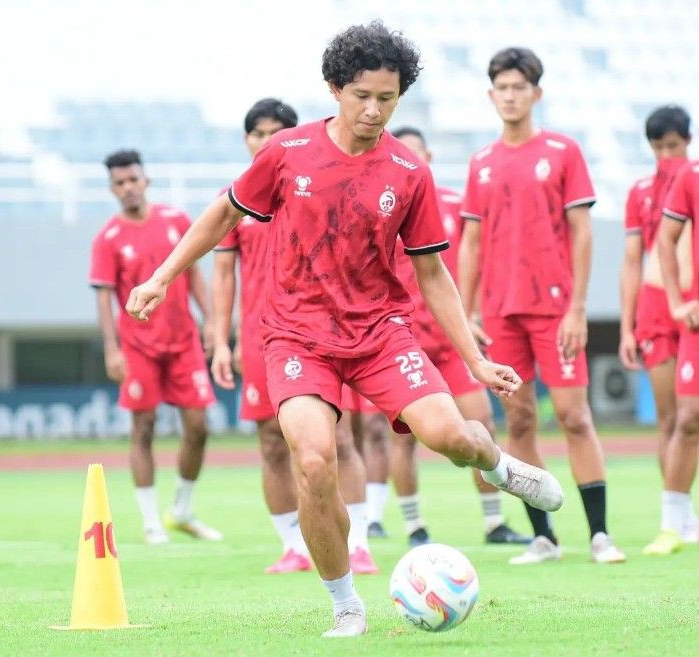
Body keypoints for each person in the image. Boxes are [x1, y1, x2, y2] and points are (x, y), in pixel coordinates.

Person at [125, 23, 563, 637]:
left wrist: (475, 362)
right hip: (296, 336)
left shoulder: (409, 172)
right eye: (362, 95)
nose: (374, 110)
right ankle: (345, 604)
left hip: (380, 334)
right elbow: (223, 214)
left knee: (456, 439)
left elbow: (432, 274)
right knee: (313, 461)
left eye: (388, 98)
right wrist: (162, 277)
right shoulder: (287, 154)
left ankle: (498, 466)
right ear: (334, 89)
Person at [459, 47, 625, 565]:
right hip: (501, 315)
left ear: (536, 93)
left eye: (519, 87)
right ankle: (544, 537)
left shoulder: (562, 151)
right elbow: (471, 242)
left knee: (575, 417)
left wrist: (577, 307)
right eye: (501, 88)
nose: (510, 96)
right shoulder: (481, 163)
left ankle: (599, 534)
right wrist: (467, 313)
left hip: (555, 312)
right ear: (491, 95)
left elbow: (581, 233)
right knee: (521, 422)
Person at [211, 98, 378, 574]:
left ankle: (360, 541)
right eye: (258, 133)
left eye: (277, 132)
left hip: (317, 333)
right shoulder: (236, 202)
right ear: (247, 141)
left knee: (338, 440)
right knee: (269, 441)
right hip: (260, 340)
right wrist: (222, 340)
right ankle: (294, 546)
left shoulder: (315, 188)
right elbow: (224, 275)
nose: (267, 141)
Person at [357, 126, 530, 547]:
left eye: (417, 154)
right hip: (403, 342)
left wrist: (470, 312)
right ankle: (414, 526)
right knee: (405, 437)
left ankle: (494, 523)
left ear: (428, 158)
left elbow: (468, 262)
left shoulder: (454, 204)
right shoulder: (377, 207)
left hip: (451, 343)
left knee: (481, 423)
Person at [89, 149, 222, 545]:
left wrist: (212, 322)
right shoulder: (107, 239)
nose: (128, 187)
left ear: (145, 180)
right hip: (138, 347)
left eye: (133, 179)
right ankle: (151, 521)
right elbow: (103, 298)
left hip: (183, 343)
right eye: (120, 182)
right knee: (143, 427)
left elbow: (194, 273)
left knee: (199, 426)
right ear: (112, 189)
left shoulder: (175, 220)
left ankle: (181, 509)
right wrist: (112, 351)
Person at [618, 106, 699, 552]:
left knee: (689, 416)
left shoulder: (691, 178)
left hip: (690, 299)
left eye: (674, 146)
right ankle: (680, 515)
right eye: (658, 148)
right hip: (658, 308)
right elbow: (634, 261)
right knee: (672, 417)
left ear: (688, 142)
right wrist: (628, 326)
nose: (666, 155)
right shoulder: (641, 192)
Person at [648, 149, 699, 555]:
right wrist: (677, 299)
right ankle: (673, 525)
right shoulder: (691, 174)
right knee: (688, 418)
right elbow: (665, 238)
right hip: (695, 320)